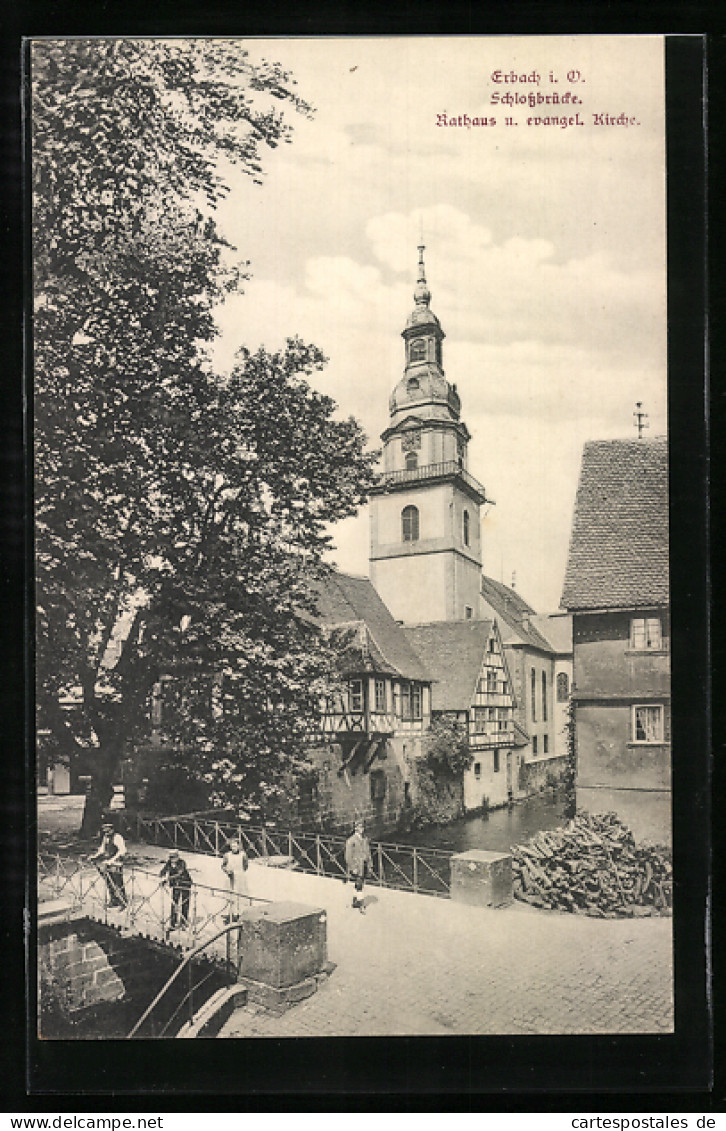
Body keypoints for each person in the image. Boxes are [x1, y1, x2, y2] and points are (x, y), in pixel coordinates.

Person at [89, 821, 127, 909]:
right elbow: (102, 849)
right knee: (109, 882)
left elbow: (122, 851)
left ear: (111, 829)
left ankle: (123, 902)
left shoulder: (117, 837)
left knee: (118, 883)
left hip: (116, 863)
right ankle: (113, 900)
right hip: (108, 862)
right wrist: (94, 856)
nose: (105, 832)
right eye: (104, 830)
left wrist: (112, 860)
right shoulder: (106, 837)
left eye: (107, 830)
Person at [160, 850, 193, 936]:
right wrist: (162, 875)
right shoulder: (169, 863)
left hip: (185, 884)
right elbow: (164, 870)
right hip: (175, 885)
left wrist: (168, 878)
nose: (172, 860)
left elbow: (179, 873)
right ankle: (173, 923)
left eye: (174, 857)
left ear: (177, 857)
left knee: (184, 903)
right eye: (171, 858)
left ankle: (183, 922)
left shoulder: (182, 863)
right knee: (174, 903)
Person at [345, 820, 373, 913]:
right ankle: (361, 904)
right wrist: (353, 868)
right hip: (357, 866)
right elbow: (348, 856)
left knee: (359, 883)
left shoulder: (364, 839)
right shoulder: (351, 840)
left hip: (364, 865)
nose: (361, 829)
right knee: (360, 884)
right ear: (355, 828)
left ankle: (355, 900)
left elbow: (368, 853)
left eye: (362, 827)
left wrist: (370, 864)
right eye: (359, 827)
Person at [220, 839, 249, 922]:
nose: (234, 848)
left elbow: (245, 866)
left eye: (235, 846)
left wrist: (239, 872)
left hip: (240, 877)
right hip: (230, 877)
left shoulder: (243, 855)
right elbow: (223, 866)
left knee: (239, 896)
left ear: (238, 846)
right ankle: (230, 914)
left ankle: (238, 914)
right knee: (229, 896)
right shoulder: (227, 855)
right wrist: (227, 870)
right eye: (232, 846)